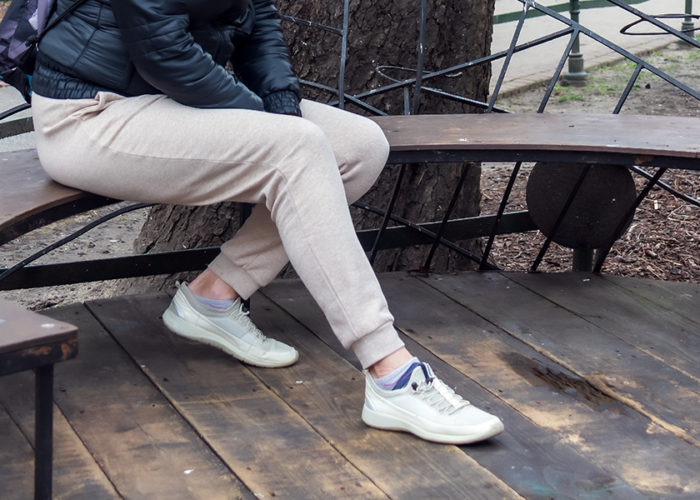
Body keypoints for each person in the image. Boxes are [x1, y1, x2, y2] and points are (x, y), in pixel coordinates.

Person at [31, 0, 504, 444]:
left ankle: (213, 296)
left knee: (359, 146)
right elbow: (162, 50)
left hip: (170, 100)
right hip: (91, 114)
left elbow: (260, 21)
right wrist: (272, 124)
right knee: (295, 149)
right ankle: (391, 372)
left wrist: (280, 102)